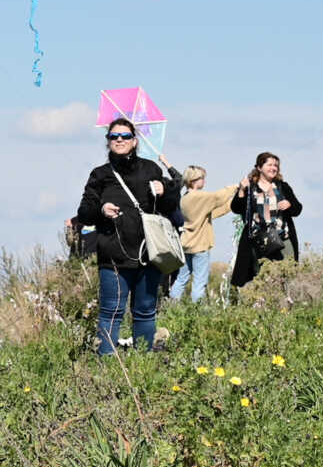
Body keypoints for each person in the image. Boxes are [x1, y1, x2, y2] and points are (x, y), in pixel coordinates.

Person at [74, 120, 184, 353]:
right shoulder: (100, 175)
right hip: (113, 254)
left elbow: (171, 207)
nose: (119, 140)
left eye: (125, 135)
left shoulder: (151, 169)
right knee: (111, 311)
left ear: (135, 140)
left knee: (145, 310)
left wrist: (166, 190)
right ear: (108, 142)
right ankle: (106, 369)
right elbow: (84, 213)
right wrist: (102, 209)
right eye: (114, 136)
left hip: (149, 253)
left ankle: (141, 366)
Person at [227, 153, 301, 296]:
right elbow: (236, 208)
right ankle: (263, 309)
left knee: (288, 275)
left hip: (283, 238)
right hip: (259, 241)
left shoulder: (282, 187)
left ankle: (286, 308)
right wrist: (241, 190)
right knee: (261, 276)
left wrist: (289, 204)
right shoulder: (250, 188)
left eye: (276, 165)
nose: (273, 168)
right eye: (269, 164)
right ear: (259, 167)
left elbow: (297, 209)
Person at [174, 166, 236, 302]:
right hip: (200, 245)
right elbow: (218, 198)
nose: (204, 181)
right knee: (199, 282)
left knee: (181, 279)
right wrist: (236, 187)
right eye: (202, 178)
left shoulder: (184, 198)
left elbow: (210, 213)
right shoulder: (199, 196)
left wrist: (232, 203)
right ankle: (197, 312)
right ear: (194, 180)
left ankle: (171, 306)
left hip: (186, 244)